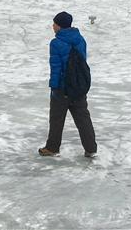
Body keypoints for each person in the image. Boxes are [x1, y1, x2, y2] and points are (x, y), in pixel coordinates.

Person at [38, 12, 98, 158]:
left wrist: (54, 87)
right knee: (83, 118)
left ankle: (52, 147)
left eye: (55, 24)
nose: (53, 26)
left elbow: (56, 68)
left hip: (62, 88)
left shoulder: (56, 43)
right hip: (78, 86)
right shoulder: (80, 40)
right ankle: (90, 148)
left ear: (60, 25)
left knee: (57, 119)